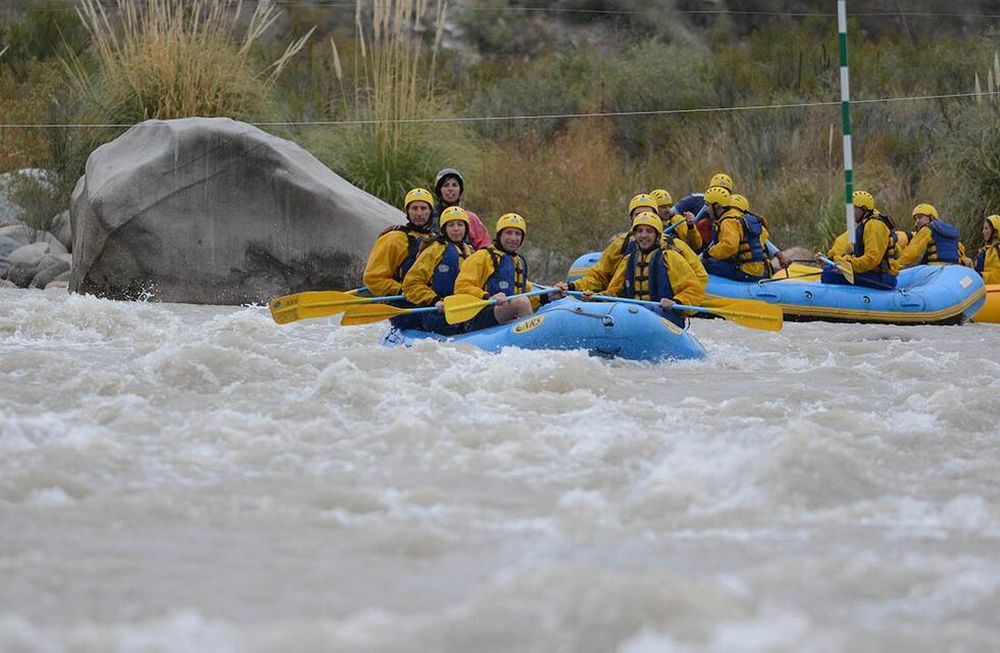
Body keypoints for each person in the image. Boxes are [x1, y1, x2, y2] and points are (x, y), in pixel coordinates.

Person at [453, 212, 567, 331]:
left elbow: (527, 296)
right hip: (479, 316)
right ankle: (529, 343)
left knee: (523, 301)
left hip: (504, 316)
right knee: (521, 302)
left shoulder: (518, 262)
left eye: (518, 234)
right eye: (508, 233)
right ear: (499, 235)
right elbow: (461, 287)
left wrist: (548, 296)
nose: (513, 238)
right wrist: (487, 296)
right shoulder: (481, 256)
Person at [603, 212, 705, 328]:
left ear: (658, 236)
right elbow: (614, 291)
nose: (644, 235)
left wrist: (677, 301)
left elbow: (694, 289)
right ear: (635, 235)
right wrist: (597, 297)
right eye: (639, 231)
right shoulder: (628, 260)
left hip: (666, 317)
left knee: (646, 310)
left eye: (649, 231)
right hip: (633, 316)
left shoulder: (670, 257)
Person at [362, 187, 436, 328]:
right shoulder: (394, 238)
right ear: (407, 212)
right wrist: (403, 290)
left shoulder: (435, 240)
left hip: (430, 300)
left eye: (423, 208)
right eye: (414, 208)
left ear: (431, 211)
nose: (419, 213)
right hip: (402, 302)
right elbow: (372, 278)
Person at [402, 206, 476, 335]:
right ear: (444, 229)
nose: (456, 229)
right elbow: (411, 284)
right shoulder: (435, 250)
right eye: (451, 225)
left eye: (460, 225)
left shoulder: (472, 252)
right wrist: (435, 300)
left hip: (465, 309)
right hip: (436, 311)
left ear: (466, 228)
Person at [567, 193, 660, 293]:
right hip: (624, 305)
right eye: (638, 215)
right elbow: (599, 276)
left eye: (649, 214)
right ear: (631, 219)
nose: (643, 218)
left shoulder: (672, 248)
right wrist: (573, 286)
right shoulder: (620, 246)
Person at [821, 190, 899, 289]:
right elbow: (855, 254)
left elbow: (872, 259)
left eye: (853, 209)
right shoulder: (865, 224)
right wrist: (832, 259)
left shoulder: (874, 226)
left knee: (829, 274)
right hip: (872, 273)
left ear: (864, 209)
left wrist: (850, 265)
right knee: (830, 269)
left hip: (883, 278)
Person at [702, 187, 772, 281]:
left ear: (717, 206)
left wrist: (709, 252)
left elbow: (729, 246)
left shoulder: (728, 222)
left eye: (708, 205)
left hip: (744, 273)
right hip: (760, 271)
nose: (707, 210)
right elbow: (764, 235)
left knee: (704, 264)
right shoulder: (742, 218)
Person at [432, 168, 491, 249]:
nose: (450, 189)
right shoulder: (429, 216)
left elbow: (485, 247)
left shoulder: (471, 218)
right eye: (446, 185)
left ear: (460, 190)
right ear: (439, 190)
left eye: (454, 185)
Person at [895, 203, 968, 269]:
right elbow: (961, 251)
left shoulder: (927, 229)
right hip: (955, 267)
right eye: (915, 219)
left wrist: (896, 265)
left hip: (935, 268)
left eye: (920, 217)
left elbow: (911, 252)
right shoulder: (951, 231)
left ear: (931, 217)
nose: (917, 222)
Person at [651, 188, 703, 252]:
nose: (668, 210)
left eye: (669, 206)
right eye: (663, 207)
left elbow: (696, 245)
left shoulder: (678, 221)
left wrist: (690, 226)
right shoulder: (646, 223)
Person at [974, 214, 1000, 284]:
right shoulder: (985, 250)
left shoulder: (997, 250)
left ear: (995, 231)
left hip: (993, 292)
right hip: (983, 290)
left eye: (986, 228)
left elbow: (997, 276)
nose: (983, 232)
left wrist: (982, 276)